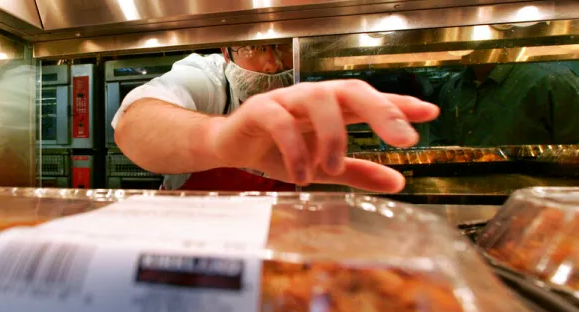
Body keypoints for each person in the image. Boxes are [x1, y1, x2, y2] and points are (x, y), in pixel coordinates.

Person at [112, 43, 439, 192]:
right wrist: (218, 141)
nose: (271, 64)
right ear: (226, 53)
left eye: (280, 48)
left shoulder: (307, 83)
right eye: (254, 48)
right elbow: (134, 123)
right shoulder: (206, 77)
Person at [430, 62, 579, 147]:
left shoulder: (551, 81)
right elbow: (441, 144)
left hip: (540, 197)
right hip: (467, 195)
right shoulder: (452, 87)